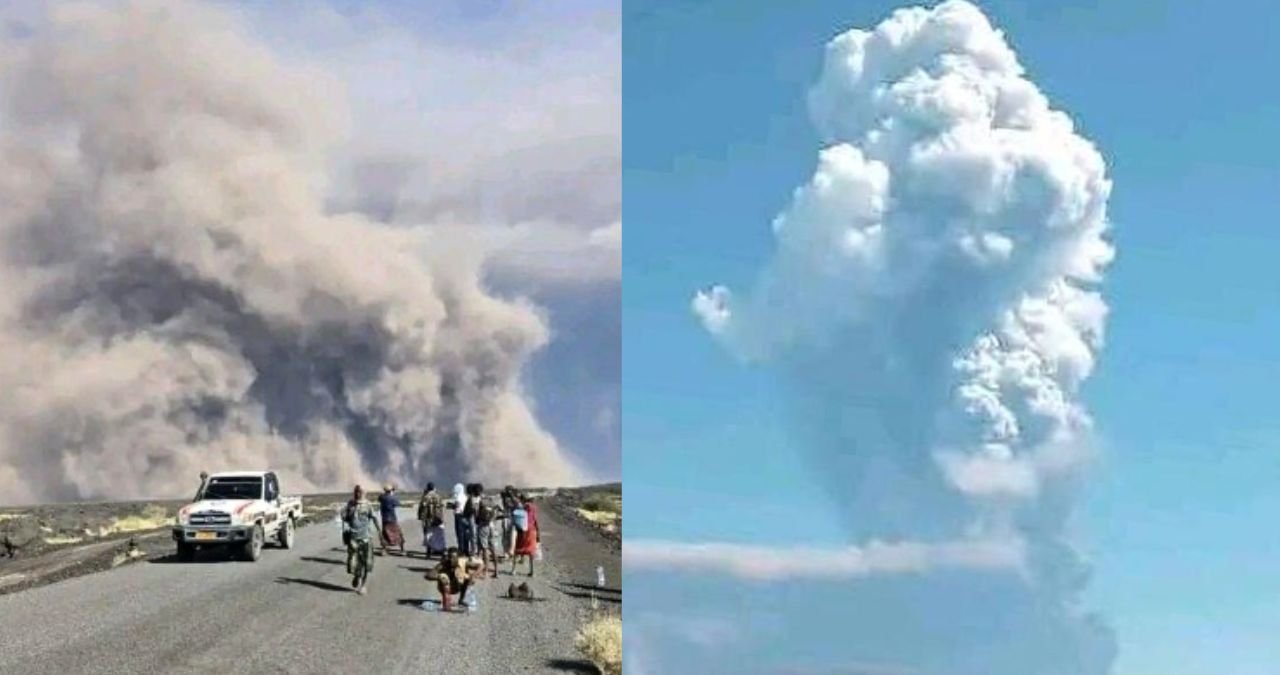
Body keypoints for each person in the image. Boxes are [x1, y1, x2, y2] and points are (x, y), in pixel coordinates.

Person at [343, 485, 381, 594]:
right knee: (353, 563)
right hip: (353, 538)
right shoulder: (350, 504)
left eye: (360, 492)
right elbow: (345, 518)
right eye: (356, 492)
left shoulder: (368, 505)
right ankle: (356, 576)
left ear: (364, 493)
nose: (357, 494)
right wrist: (345, 515)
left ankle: (363, 585)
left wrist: (380, 533)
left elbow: (374, 519)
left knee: (366, 563)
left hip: (366, 538)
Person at [431, 546, 473, 612]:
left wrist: (472, 576)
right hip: (445, 587)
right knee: (443, 577)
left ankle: (461, 600)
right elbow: (428, 575)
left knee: (466, 577)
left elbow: (479, 565)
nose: (451, 559)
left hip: (457, 586)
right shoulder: (443, 564)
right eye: (450, 557)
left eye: (453, 557)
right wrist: (439, 577)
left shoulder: (463, 563)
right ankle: (446, 602)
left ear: (458, 558)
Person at [510, 492, 540, 577]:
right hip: (532, 531)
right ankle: (532, 571)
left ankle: (514, 570)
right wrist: (538, 534)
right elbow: (535, 521)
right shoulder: (534, 508)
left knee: (518, 549)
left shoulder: (523, 507)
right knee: (531, 552)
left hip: (523, 530)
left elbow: (518, 519)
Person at [474, 488, 501, 578]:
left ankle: (485, 572)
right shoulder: (491, 502)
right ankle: (496, 571)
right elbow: (495, 515)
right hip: (491, 526)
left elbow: (477, 515)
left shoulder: (480, 502)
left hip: (483, 526)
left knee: (485, 549)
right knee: (493, 549)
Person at [377, 484, 405, 555]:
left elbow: (379, 498)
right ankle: (402, 549)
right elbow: (398, 504)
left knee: (385, 534)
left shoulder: (382, 497)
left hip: (385, 518)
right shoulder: (392, 498)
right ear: (390, 491)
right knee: (398, 533)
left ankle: (384, 549)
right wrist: (393, 494)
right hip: (392, 518)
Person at [450, 482, 468, 555]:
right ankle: (466, 549)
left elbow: (456, 505)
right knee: (465, 534)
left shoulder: (458, 497)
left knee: (459, 533)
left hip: (459, 516)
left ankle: (461, 549)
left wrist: (452, 506)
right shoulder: (465, 497)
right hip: (465, 516)